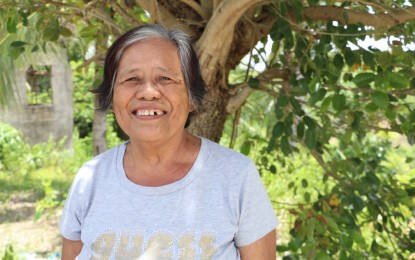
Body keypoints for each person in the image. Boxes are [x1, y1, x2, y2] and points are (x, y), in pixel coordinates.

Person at [60, 24, 278, 259]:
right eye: (132, 79)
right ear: (112, 98)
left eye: (165, 78)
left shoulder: (236, 177)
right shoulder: (90, 179)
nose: (148, 92)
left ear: (192, 98)